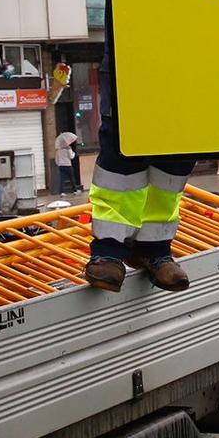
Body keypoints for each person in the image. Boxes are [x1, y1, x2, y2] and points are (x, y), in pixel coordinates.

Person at [85, 55, 194, 293]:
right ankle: (109, 249)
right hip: (132, 56)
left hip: (190, 61)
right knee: (122, 157)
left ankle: (154, 247)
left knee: (174, 162)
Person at [54, 127, 79, 195]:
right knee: (72, 178)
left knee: (62, 179)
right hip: (68, 165)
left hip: (61, 166)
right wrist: (73, 152)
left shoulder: (58, 150)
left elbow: (56, 159)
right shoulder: (68, 149)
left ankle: (62, 192)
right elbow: (71, 157)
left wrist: (58, 164)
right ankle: (75, 191)